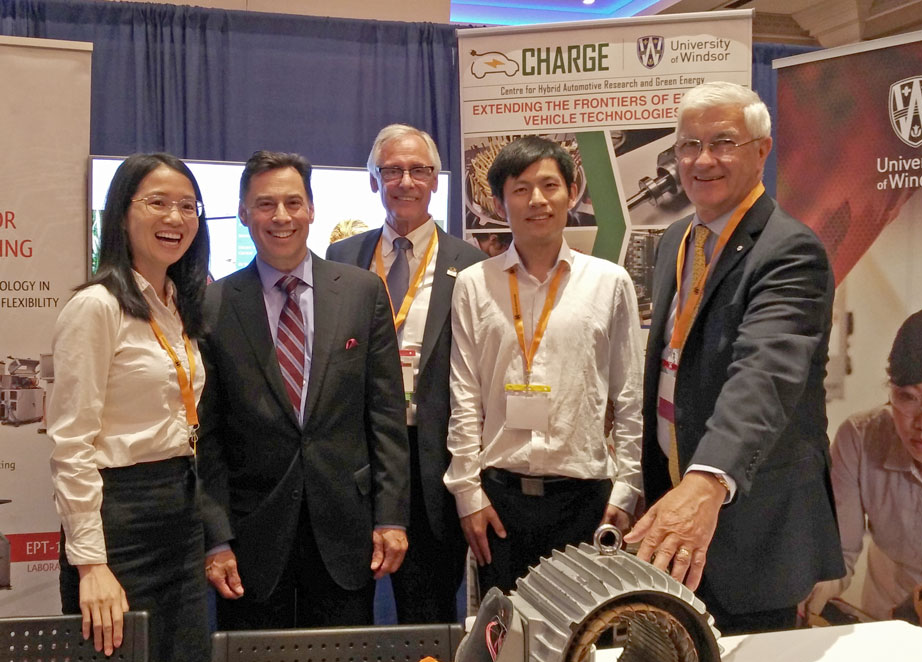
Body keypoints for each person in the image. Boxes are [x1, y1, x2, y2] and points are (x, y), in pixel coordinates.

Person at [626, 81, 844, 634]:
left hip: (750, 529)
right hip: (674, 513)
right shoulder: (677, 238)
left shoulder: (791, 251)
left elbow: (765, 377)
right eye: (688, 145)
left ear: (762, 151)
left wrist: (706, 482)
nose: (702, 160)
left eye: (723, 142)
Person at [199, 150, 409, 629]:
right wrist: (215, 538)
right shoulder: (213, 305)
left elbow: (385, 416)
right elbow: (206, 437)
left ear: (312, 210)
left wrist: (392, 517)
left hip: (346, 528)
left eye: (293, 202)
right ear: (244, 212)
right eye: (265, 204)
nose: (281, 217)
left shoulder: (362, 292)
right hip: (251, 539)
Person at [445, 135, 643, 594]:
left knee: (582, 643)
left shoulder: (609, 283)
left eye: (550, 185)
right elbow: (464, 395)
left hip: (586, 499)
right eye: (521, 188)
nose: (537, 199)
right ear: (499, 202)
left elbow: (629, 393)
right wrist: (467, 493)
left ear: (572, 194)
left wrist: (627, 487)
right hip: (500, 499)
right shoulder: (475, 284)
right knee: (505, 641)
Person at [49, 152, 214, 662]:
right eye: (158, 203)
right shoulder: (96, 307)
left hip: (180, 516)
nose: (176, 218)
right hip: (121, 521)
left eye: (188, 206)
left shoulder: (176, 305)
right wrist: (91, 564)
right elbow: (71, 447)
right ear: (122, 213)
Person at [326, 125, 484, 624]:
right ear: (374, 181)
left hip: (431, 454)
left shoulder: (472, 263)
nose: (406, 181)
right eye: (391, 170)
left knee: (428, 605)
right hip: (358, 453)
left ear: (436, 180)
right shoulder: (341, 256)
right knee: (348, 593)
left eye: (419, 170)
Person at [805, 307, 922, 619]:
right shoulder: (861, 438)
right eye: (908, 397)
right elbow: (837, 557)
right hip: (882, 626)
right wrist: (811, 589)